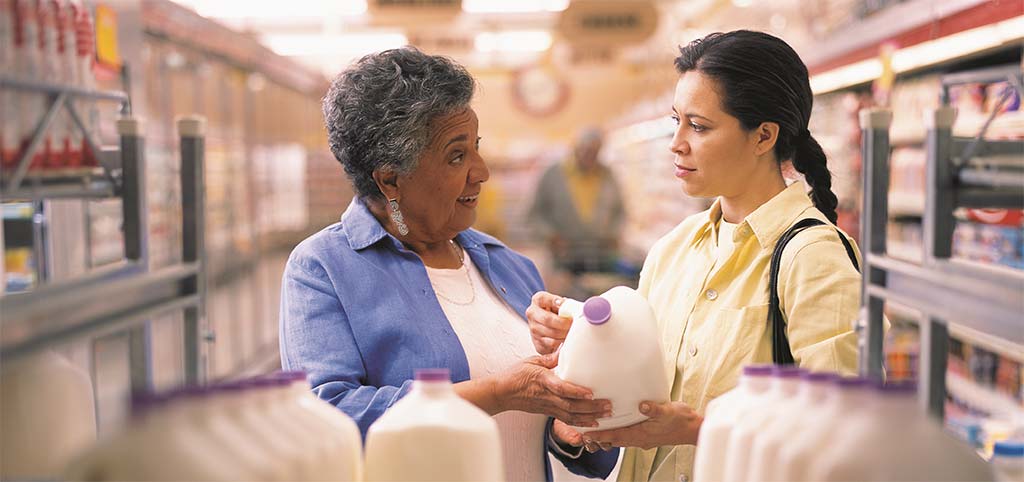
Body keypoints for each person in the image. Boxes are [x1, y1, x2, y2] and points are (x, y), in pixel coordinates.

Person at [526, 31, 871, 481]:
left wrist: (698, 431)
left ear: (763, 135)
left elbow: (846, 441)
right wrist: (588, 364)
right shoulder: (675, 249)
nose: (677, 143)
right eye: (676, 121)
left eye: (700, 126)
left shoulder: (813, 257)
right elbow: (635, 424)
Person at [278, 46, 618, 482]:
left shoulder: (507, 265)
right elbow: (327, 416)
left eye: (476, 148)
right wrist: (496, 393)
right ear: (390, 179)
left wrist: (567, 430)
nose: (481, 171)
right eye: (457, 156)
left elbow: (541, 426)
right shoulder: (324, 268)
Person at [528, 127, 626, 276]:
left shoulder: (608, 175)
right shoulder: (552, 174)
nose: (589, 155)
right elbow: (535, 213)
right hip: (563, 257)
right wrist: (550, 236)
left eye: (594, 151)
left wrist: (614, 233)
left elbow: (620, 211)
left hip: (600, 255)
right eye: (585, 149)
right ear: (574, 148)